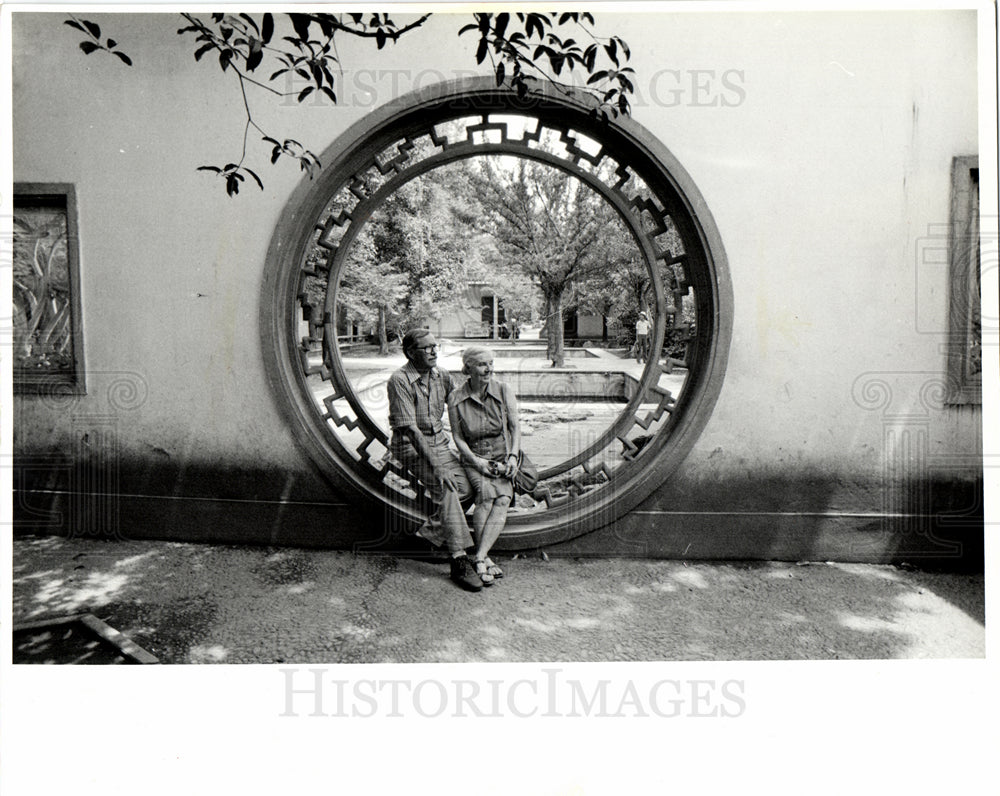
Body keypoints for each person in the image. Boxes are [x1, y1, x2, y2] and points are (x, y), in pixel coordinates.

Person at [386, 329, 483, 592]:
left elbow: (459, 404)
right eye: (426, 348)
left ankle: (426, 536)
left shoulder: (442, 375)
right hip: (410, 447)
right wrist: (438, 467)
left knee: (471, 487)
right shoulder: (399, 380)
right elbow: (410, 430)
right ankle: (458, 559)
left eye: (434, 346)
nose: (433, 351)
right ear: (409, 353)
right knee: (449, 487)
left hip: (438, 443)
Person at [448, 346, 520, 586]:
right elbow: (458, 438)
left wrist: (512, 457)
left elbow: (514, 428)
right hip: (474, 457)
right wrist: (476, 462)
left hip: (502, 456)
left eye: (491, 363)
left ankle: (479, 557)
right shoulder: (456, 397)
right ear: (468, 368)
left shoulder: (503, 390)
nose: (489, 368)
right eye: (482, 364)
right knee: (487, 496)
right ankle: (483, 559)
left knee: (503, 499)